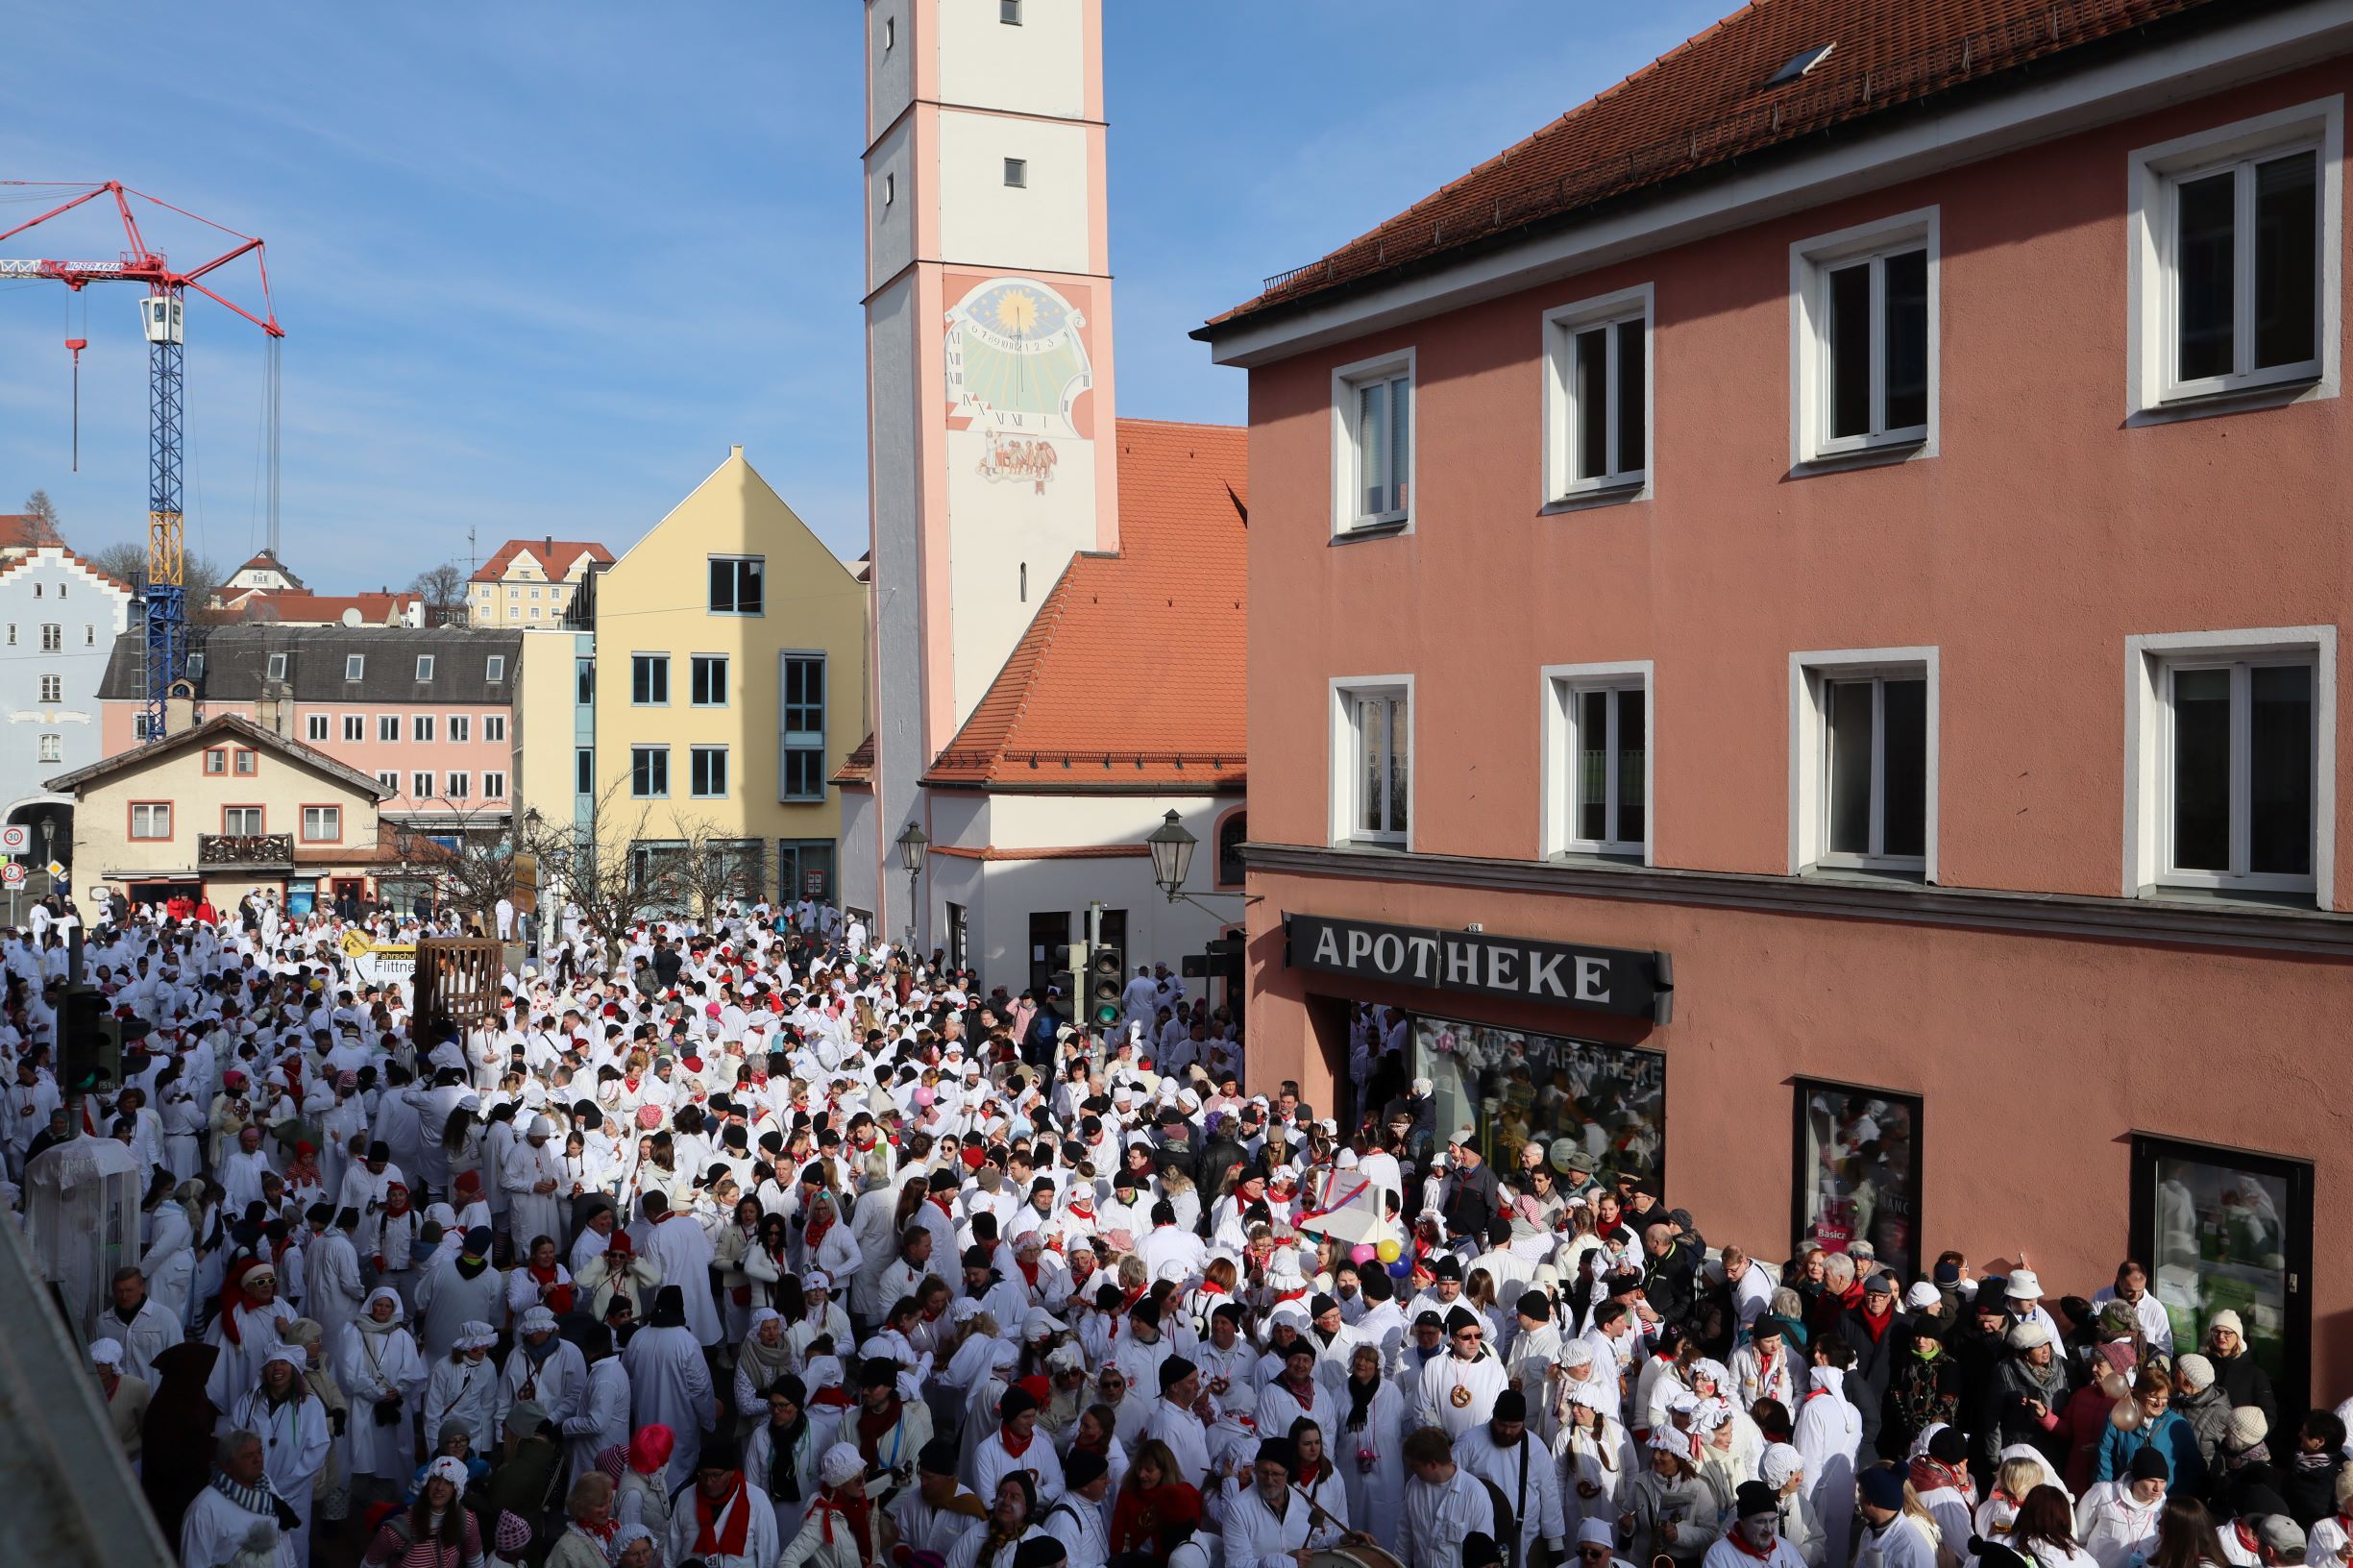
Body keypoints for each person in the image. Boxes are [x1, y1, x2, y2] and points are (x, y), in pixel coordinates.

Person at [1455, 1388, 1566, 1567]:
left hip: (1525, 1537)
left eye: (1514, 1427)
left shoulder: (1536, 1448)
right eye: (1502, 1425)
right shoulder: (1469, 1442)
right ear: (1493, 1417)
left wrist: (1555, 1545)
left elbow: (1550, 1496)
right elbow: (1453, 1485)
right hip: (1480, 1538)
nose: (1507, 1431)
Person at [622, 1285, 715, 1488]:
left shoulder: (638, 1338)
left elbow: (625, 1377)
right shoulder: (687, 1343)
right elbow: (701, 1390)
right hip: (679, 1427)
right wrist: (709, 1421)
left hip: (644, 1422)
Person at [182, 1431, 300, 1568]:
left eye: (259, 1452)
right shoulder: (204, 1510)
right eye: (248, 1456)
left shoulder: (266, 1486)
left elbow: (283, 1537)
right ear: (227, 1466)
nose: (258, 1459)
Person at [669, 1433, 780, 1568]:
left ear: (731, 1472)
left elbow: (769, 1556)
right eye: (703, 1475)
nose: (709, 1482)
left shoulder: (757, 1500)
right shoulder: (685, 1497)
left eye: (715, 1475)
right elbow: (671, 1552)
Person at [1401, 1423, 1498, 1562]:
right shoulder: (1413, 1486)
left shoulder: (1475, 1494)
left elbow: (1484, 1557)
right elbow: (1405, 1538)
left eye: (1415, 1466)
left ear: (1433, 1464)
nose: (1410, 1468)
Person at [1705, 1481, 1814, 1568]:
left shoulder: (1786, 1549)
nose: (1768, 1529)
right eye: (1760, 1522)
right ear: (1742, 1521)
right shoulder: (1720, 1555)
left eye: (1772, 1521)